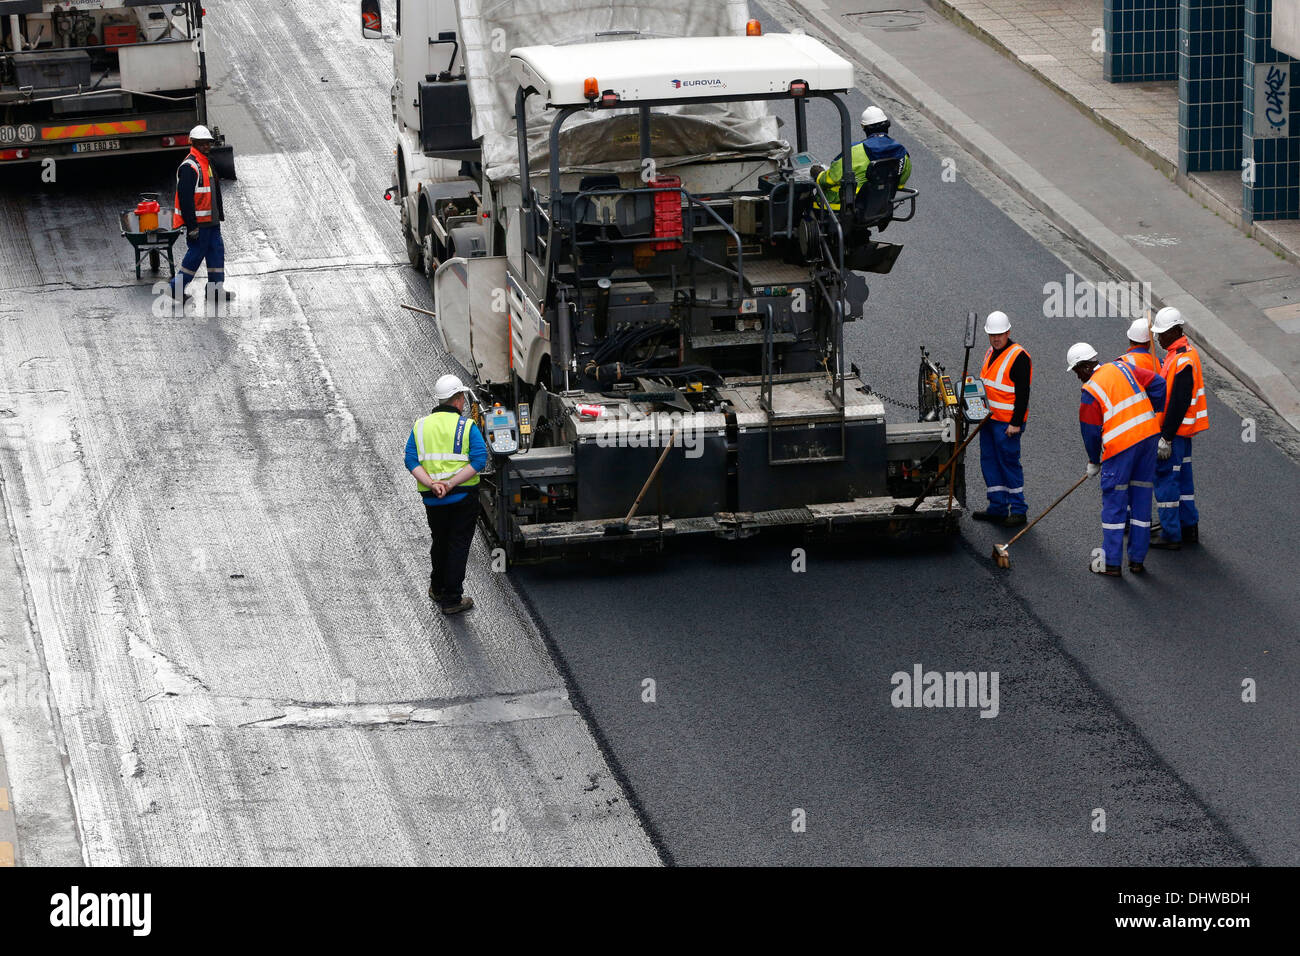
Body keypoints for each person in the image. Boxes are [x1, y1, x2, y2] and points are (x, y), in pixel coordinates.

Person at [1068, 343, 1165, 576]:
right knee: (1141, 500)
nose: (1077, 376)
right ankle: (1137, 561)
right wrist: (1151, 411)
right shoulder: (1122, 368)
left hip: (1122, 448)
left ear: (1084, 367)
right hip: (1149, 438)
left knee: (1114, 503)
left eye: (1076, 371)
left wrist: (1094, 461)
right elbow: (1159, 384)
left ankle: (1111, 563)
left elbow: (1090, 431)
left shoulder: (1090, 391)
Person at [405, 374, 487, 615]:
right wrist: (450, 483)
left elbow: (410, 459)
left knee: (440, 541)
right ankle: (452, 599)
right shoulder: (466, 426)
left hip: (433, 498)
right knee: (458, 544)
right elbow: (479, 460)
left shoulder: (420, 426)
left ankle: (437, 588)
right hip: (462, 496)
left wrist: (432, 483)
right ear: (459, 399)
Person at [1148, 307, 1209, 549]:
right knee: (1183, 482)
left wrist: (1166, 437)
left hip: (1175, 434)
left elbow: (1179, 401)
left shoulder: (1181, 359)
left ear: (1175, 331)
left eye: (1162, 334)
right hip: (1184, 434)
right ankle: (1188, 526)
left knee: (1166, 482)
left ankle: (1170, 532)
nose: (1158, 339)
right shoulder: (1183, 354)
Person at [973, 310, 1031, 526]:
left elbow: (1023, 394)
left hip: (1007, 425)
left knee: (1008, 464)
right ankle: (997, 507)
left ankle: (1018, 509)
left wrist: (1015, 423)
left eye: (1000, 334)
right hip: (988, 420)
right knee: (989, 462)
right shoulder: (990, 352)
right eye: (992, 335)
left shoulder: (1019, 357)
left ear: (1008, 332)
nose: (996, 338)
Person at [170, 125, 233, 308]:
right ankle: (175, 288)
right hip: (200, 224)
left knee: (216, 254)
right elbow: (185, 199)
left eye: (208, 143)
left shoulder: (206, 163)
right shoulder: (190, 167)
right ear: (194, 143)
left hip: (211, 222)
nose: (207, 146)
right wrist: (192, 226)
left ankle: (215, 290)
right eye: (203, 143)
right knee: (195, 256)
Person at [811, 106, 912, 211]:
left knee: (810, 198)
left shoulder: (855, 151)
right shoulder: (902, 153)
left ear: (864, 128)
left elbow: (831, 178)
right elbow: (899, 184)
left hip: (841, 206)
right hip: (878, 207)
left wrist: (819, 175)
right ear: (887, 125)